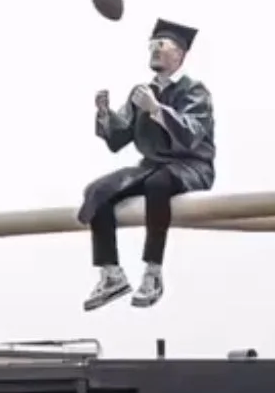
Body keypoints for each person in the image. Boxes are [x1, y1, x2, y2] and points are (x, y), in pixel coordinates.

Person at [81, 19, 215, 311]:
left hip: (190, 166)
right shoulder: (141, 92)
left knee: (158, 185)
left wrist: (156, 110)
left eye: (161, 45)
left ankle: (152, 272)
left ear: (179, 55)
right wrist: (105, 114)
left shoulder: (194, 91)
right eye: (152, 45)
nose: (154, 51)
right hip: (152, 165)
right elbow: (119, 138)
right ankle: (111, 273)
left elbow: (191, 134)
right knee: (98, 190)